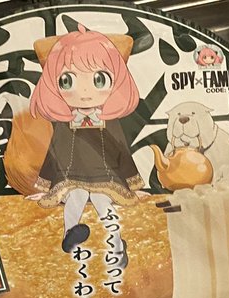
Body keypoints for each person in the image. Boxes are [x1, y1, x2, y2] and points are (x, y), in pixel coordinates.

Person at [18, 25, 148, 265]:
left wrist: (133, 186)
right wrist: (44, 188)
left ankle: (117, 246)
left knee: (101, 201)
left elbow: (122, 154)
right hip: (72, 178)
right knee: (76, 197)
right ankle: (70, 235)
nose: (85, 92)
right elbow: (54, 155)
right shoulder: (64, 124)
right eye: (67, 81)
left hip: (105, 178)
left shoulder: (110, 123)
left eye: (99, 79)